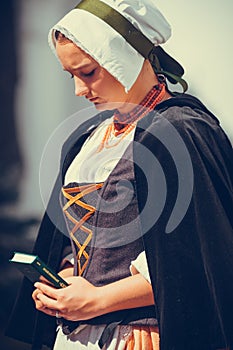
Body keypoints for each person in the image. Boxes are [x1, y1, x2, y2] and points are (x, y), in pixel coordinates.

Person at [6, 1, 233, 349]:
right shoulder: (88, 140)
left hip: (138, 336)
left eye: (88, 72)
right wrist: (64, 278)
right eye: (72, 76)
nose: (79, 91)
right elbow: (71, 242)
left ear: (124, 58)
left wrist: (100, 300)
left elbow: (201, 260)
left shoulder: (183, 131)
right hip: (75, 333)